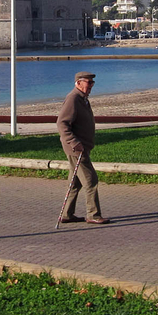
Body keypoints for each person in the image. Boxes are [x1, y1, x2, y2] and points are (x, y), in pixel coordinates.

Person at [56, 71, 109, 225]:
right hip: (76, 149)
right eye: (88, 82)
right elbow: (62, 123)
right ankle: (93, 214)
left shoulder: (83, 99)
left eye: (93, 83)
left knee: (75, 183)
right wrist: (73, 142)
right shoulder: (73, 99)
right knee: (90, 180)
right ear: (78, 83)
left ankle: (67, 214)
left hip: (83, 147)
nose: (91, 86)